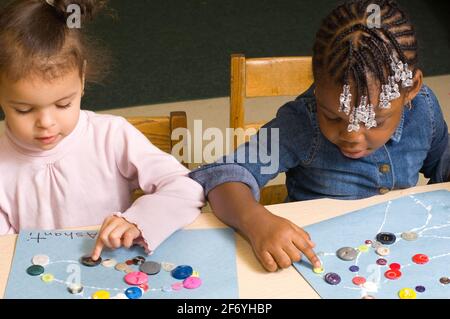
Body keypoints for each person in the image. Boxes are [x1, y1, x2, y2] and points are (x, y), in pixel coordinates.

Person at [189, 0, 450, 272]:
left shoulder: (424, 108)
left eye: (375, 121)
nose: (352, 135)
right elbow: (223, 176)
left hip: (397, 257)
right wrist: (255, 220)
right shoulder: (301, 123)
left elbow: (443, 163)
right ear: (316, 86)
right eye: (334, 117)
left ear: (411, 89)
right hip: (317, 262)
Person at [0, 0, 204, 260]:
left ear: (82, 79)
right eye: (24, 110)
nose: (46, 122)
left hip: (115, 275)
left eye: (64, 104)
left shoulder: (111, 136)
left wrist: (138, 220)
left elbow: (188, 187)